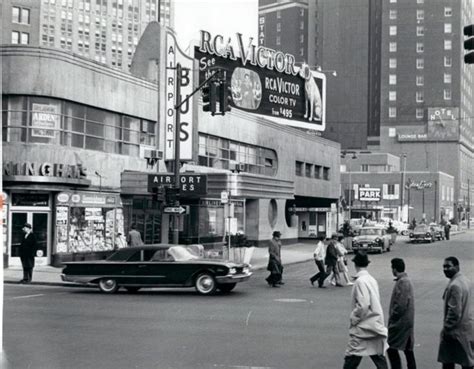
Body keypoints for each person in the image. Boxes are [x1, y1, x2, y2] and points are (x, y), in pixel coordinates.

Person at [343, 252, 388, 369]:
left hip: (363, 325)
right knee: (377, 354)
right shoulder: (371, 279)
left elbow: (363, 305)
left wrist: (354, 317)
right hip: (375, 324)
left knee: (352, 356)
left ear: (355, 264)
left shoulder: (360, 281)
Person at [437, 257, 474, 369]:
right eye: (444, 266)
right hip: (467, 329)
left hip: (455, 332)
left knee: (448, 361)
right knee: (466, 361)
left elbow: (454, 312)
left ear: (457, 267)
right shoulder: (466, 281)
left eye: (448, 266)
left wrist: (446, 328)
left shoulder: (455, 285)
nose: (445, 269)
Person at [387, 258, 417, 369]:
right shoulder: (404, 280)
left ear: (394, 269)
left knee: (391, 348)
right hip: (407, 322)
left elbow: (400, 305)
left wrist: (393, 318)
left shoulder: (402, 282)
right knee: (408, 350)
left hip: (401, 323)